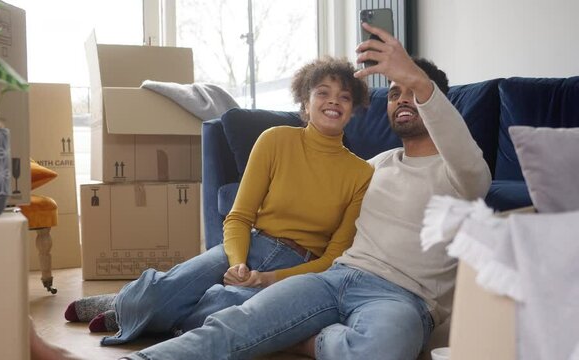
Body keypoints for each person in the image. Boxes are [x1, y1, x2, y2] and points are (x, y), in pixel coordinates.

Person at [116, 21, 492, 360]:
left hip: (400, 297)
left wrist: (418, 80)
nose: (402, 99)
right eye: (394, 94)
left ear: (438, 104)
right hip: (331, 279)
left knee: (384, 349)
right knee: (235, 324)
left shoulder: (462, 174)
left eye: (413, 92)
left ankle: (303, 339)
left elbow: (465, 153)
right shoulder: (374, 166)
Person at [63, 57, 374, 347]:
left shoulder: (361, 173)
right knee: (164, 290)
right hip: (251, 244)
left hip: (299, 266)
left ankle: (142, 314)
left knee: (224, 307)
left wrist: (268, 279)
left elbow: (334, 258)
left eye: (344, 97)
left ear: (353, 109)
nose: (334, 101)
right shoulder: (275, 140)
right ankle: (132, 305)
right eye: (323, 92)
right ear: (306, 104)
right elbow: (239, 216)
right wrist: (238, 261)